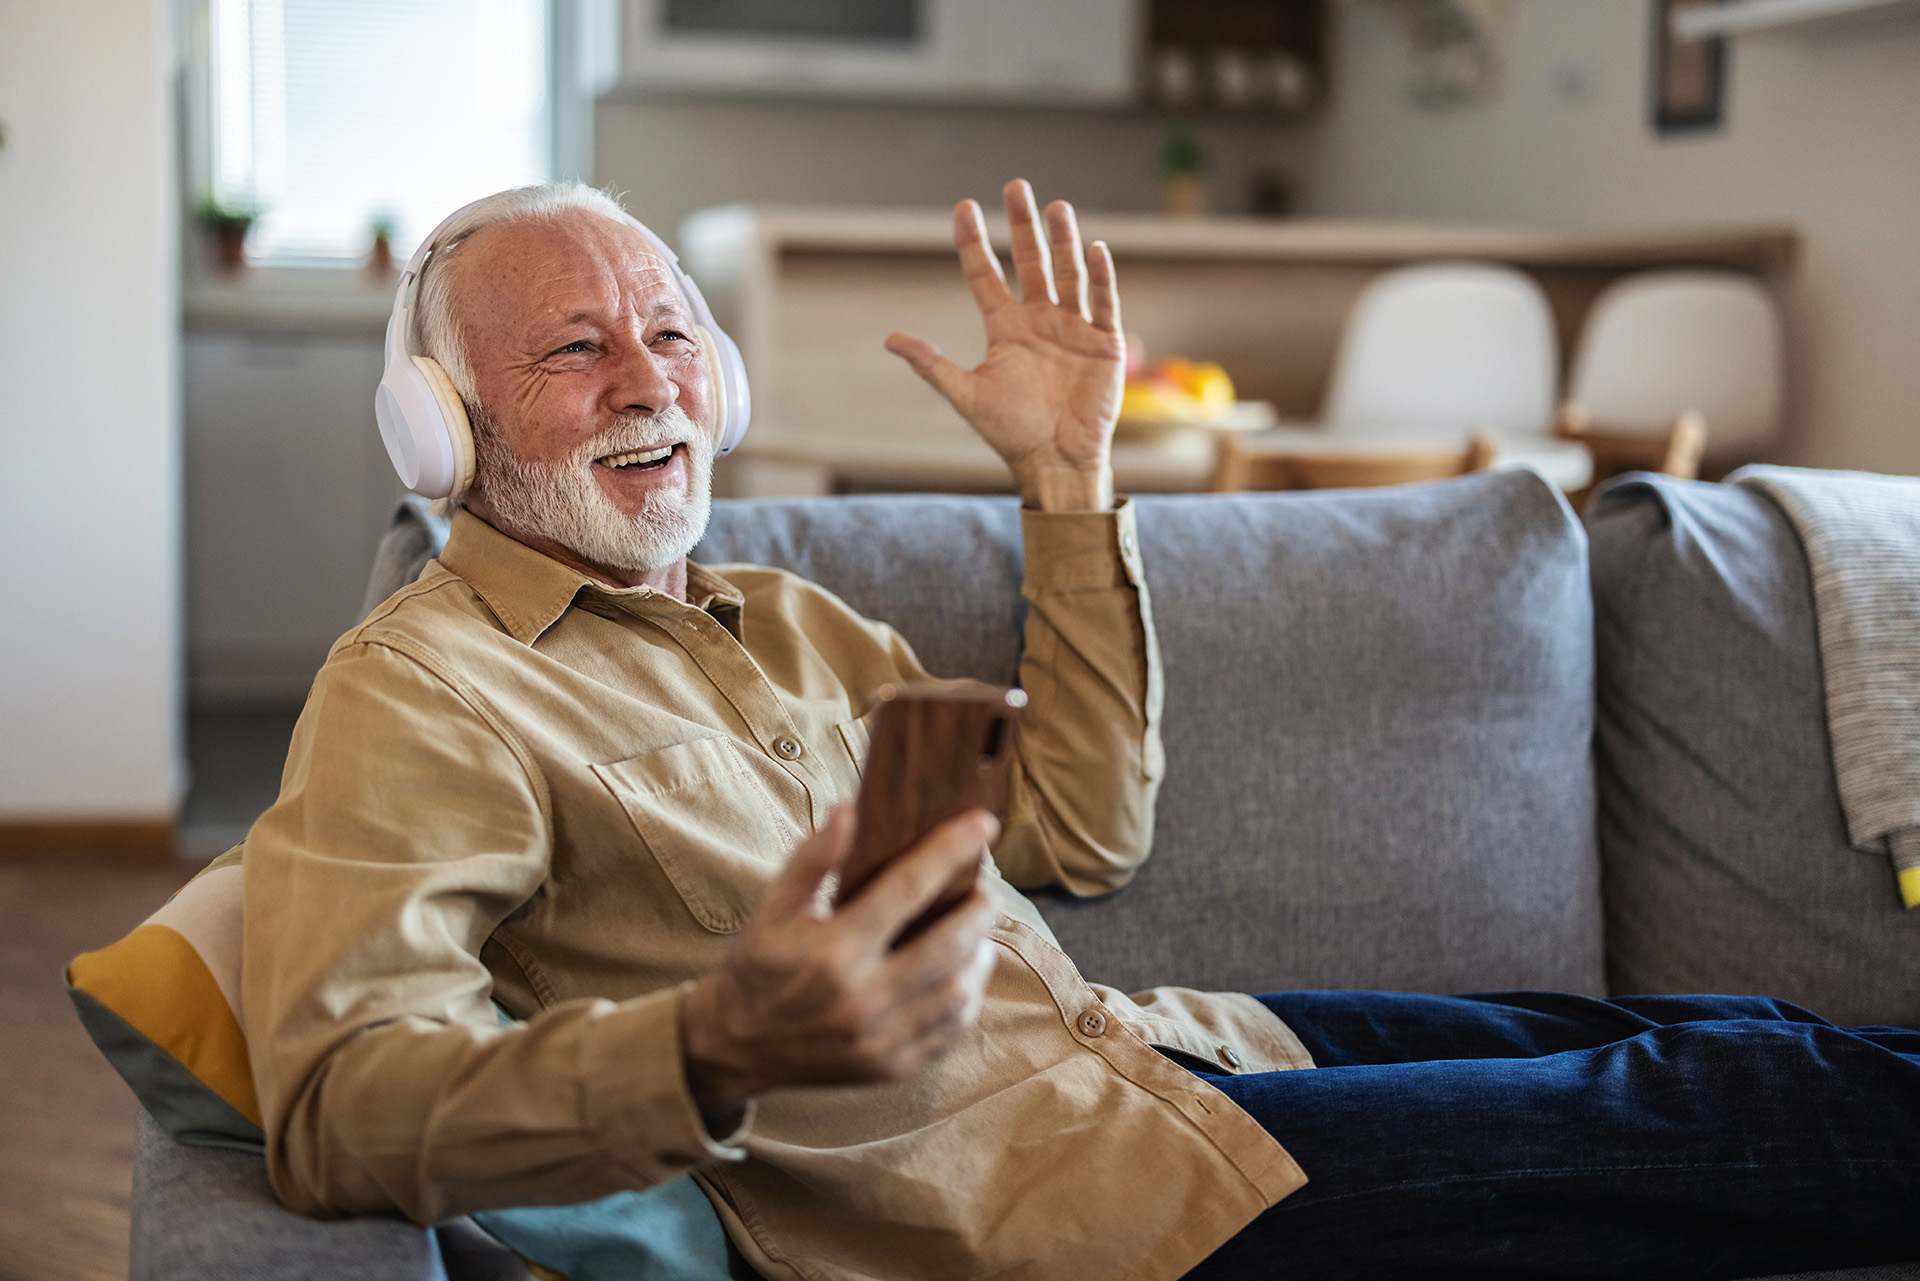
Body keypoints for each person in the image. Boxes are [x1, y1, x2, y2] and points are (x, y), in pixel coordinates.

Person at [243, 179, 1920, 1281]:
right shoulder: (421, 689)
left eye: (674, 334)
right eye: (574, 349)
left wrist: (1066, 480)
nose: (649, 382)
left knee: (1727, 1019)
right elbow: (333, 1108)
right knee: (1721, 1091)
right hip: (1058, 1213)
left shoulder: (790, 618)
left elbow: (1080, 824)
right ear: (442, 426)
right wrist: (719, 1042)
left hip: (1164, 1055)